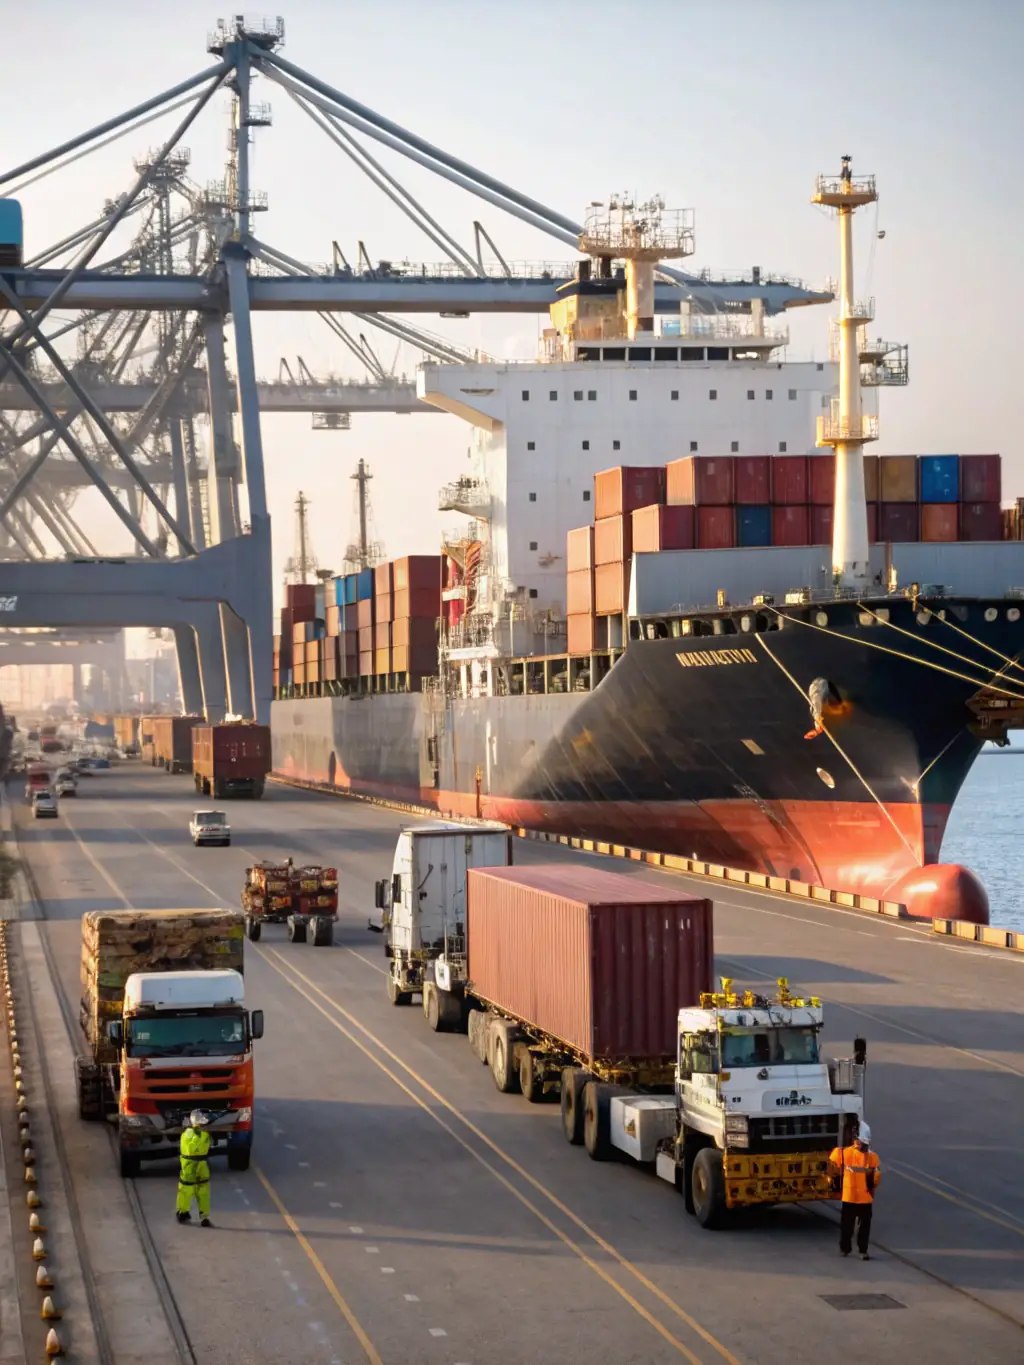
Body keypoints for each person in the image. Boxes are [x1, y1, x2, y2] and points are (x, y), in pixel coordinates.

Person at [829, 1121, 881, 1259]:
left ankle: (851, 1249)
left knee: (854, 1225)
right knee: (853, 1225)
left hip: (857, 1196)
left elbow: (832, 1163)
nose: (863, 1145)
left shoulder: (846, 1154)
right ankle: (857, 1250)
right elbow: (876, 1178)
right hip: (857, 1196)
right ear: (856, 1139)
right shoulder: (867, 1156)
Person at [176, 1109, 213, 1227]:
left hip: (188, 1166)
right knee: (203, 1192)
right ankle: (204, 1216)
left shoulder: (185, 1135)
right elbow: (209, 1145)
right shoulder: (205, 1136)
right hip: (202, 1166)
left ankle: (183, 1212)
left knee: (185, 1190)